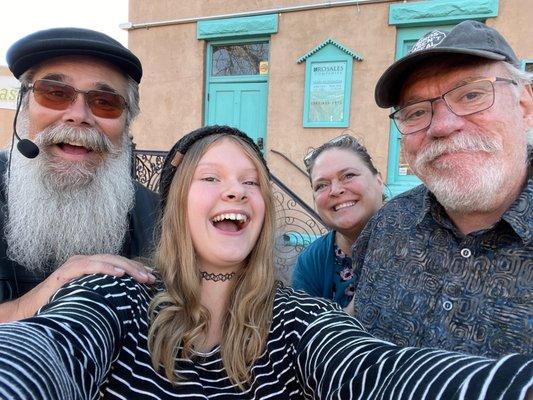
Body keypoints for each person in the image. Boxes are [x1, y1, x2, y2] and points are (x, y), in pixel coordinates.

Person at [0, 125, 531, 399]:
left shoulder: (300, 322)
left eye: (251, 182)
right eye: (210, 179)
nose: (235, 192)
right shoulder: (113, 296)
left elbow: (380, 374)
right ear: (178, 205)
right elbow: (45, 352)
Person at [352, 19, 533, 357]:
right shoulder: (388, 225)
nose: (443, 126)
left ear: (524, 106)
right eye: (417, 112)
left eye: (471, 94)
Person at [0, 27, 160, 322]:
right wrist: (48, 292)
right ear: (25, 105)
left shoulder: (155, 216)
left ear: (126, 125)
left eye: (104, 102)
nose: (79, 115)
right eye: (56, 94)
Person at [292, 134, 383, 310]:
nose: (335, 190)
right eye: (321, 185)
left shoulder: (422, 238)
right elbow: (308, 334)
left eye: (348, 175)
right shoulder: (311, 263)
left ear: (378, 180)